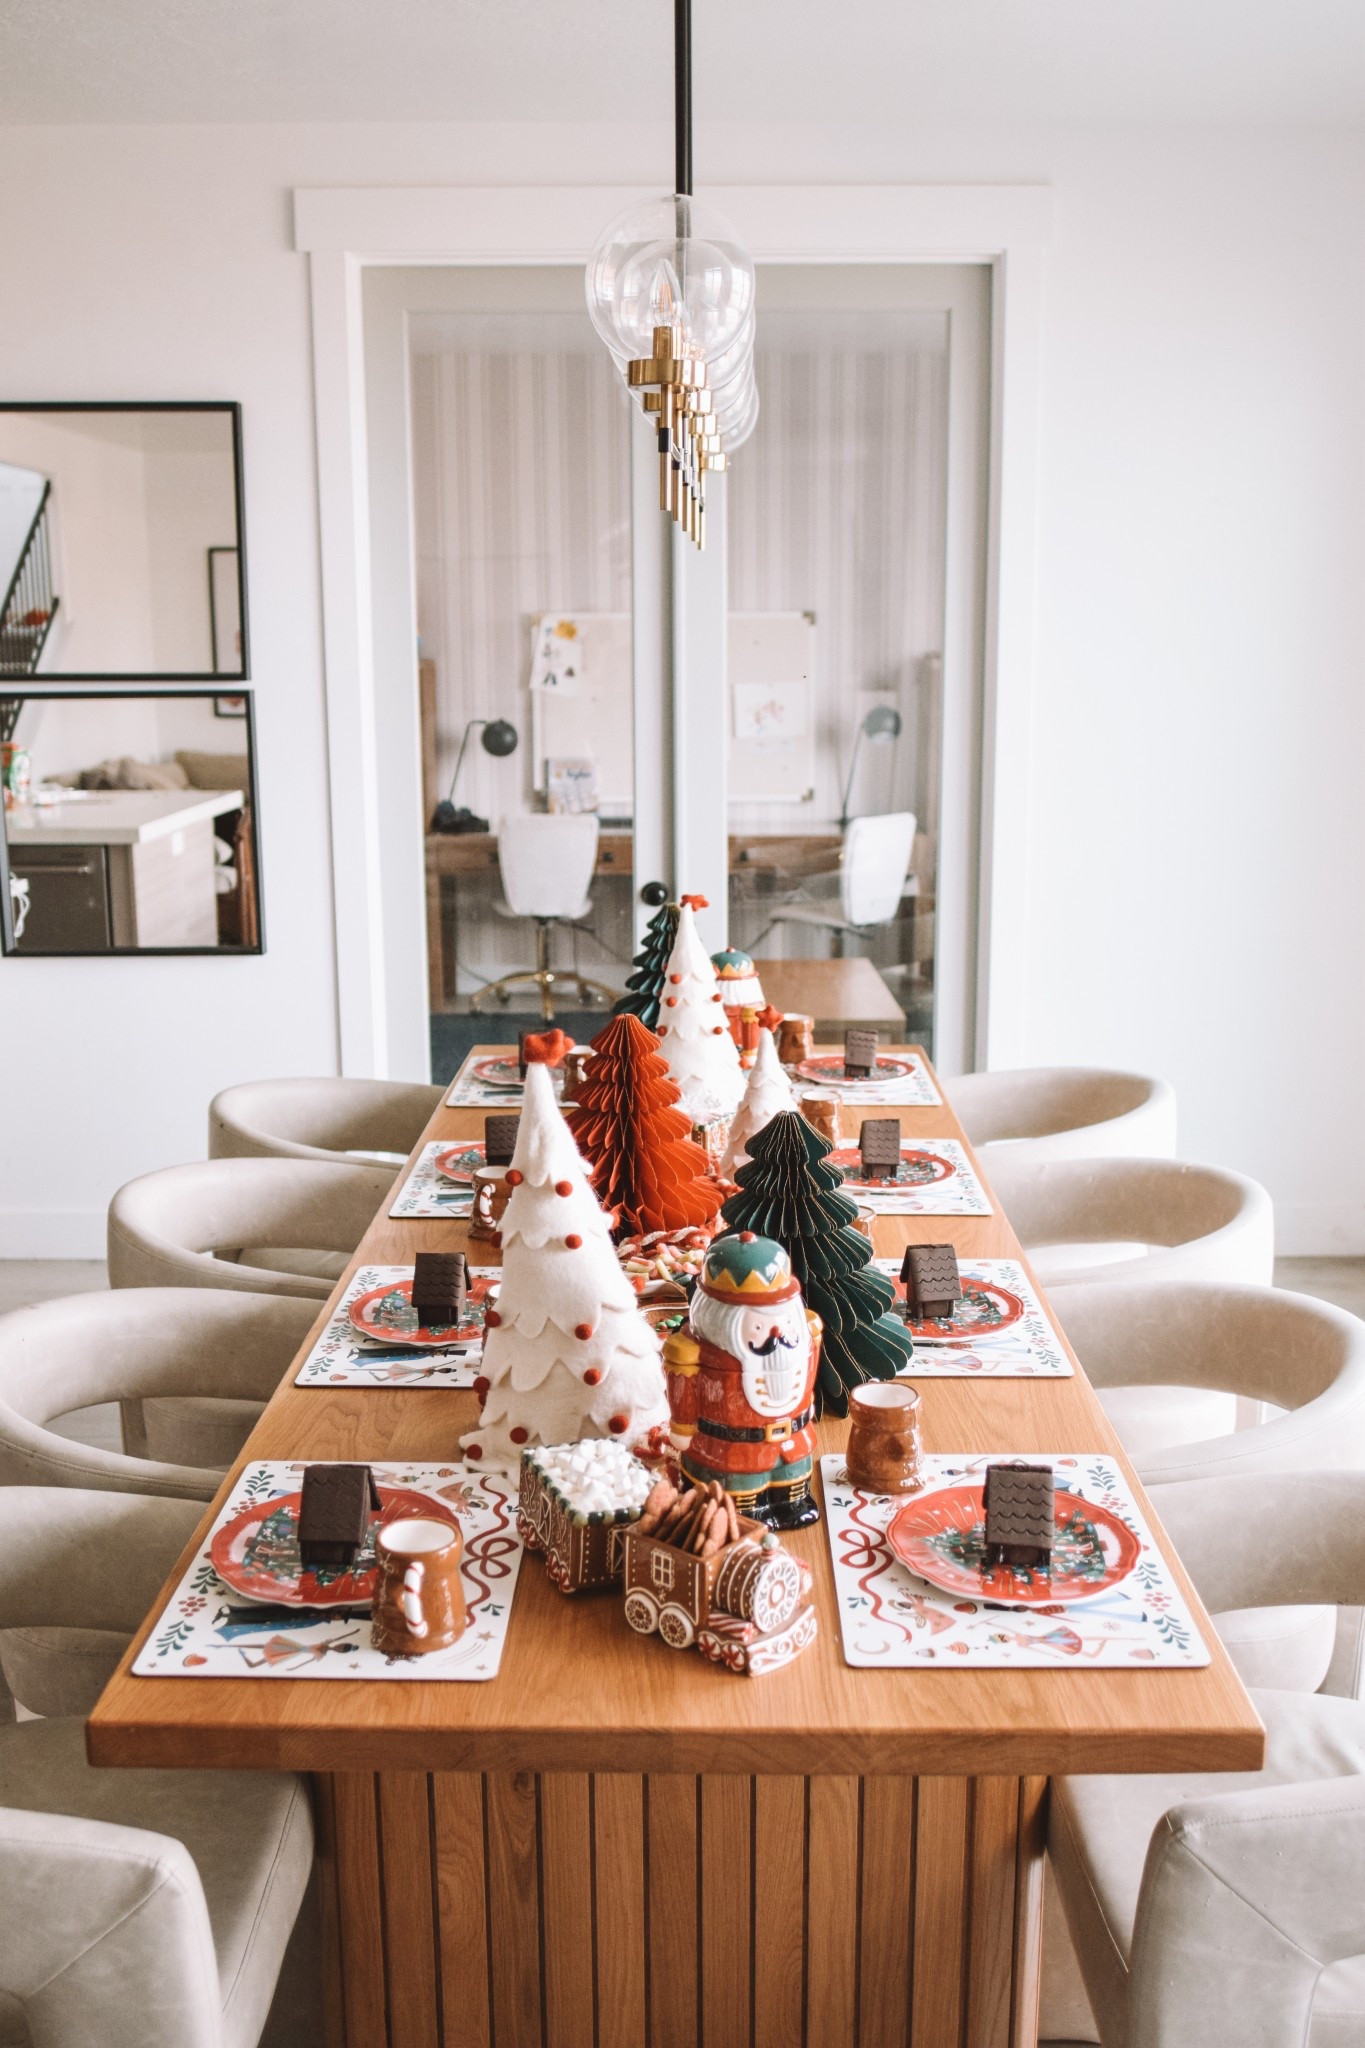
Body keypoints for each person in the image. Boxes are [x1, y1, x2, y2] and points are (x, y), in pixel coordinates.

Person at [662, 1232, 822, 1529]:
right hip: (730, 1450)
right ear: (724, 1321)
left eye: (785, 1320)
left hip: (793, 1442)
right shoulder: (693, 1353)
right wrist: (682, 1426)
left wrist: (808, 1402)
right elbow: (684, 1391)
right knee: (740, 1503)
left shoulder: (805, 1338)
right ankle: (744, 1520)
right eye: (759, 1326)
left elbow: (809, 1372)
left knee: (792, 1487)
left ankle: (791, 1505)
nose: (778, 1334)